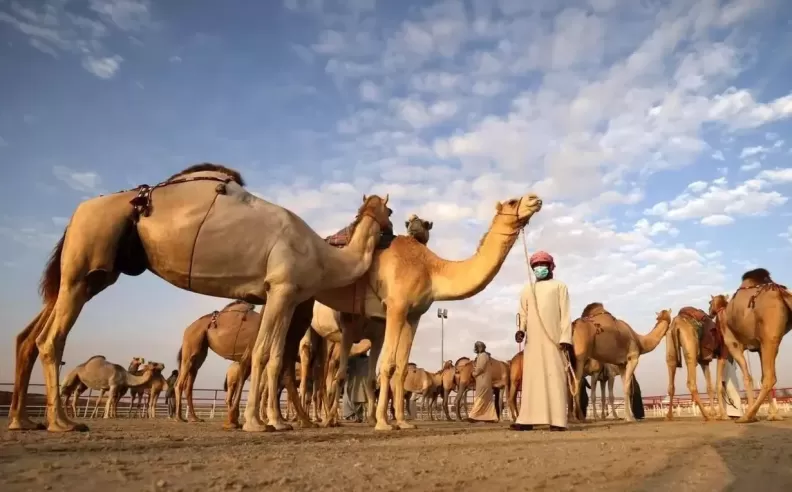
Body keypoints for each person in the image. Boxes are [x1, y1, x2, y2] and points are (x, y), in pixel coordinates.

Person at [511, 250, 573, 432]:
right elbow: (523, 312)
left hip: (554, 339)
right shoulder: (527, 289)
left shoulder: (560, 287)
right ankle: (527, 419)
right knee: (531, 379)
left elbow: (565, 313)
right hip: (533, 342)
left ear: (550, 267)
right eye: (536, 266)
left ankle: (558, 420)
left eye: (542, 265)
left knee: (555, 377)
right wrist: (520, 330)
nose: (539, 268)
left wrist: (565, 337)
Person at [466, 341, 499, 423]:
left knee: (479, 397)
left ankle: (473, 416)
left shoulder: (482, 356)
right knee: (487, 400)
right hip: (484, 380)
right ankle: (490, 417)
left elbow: (480, 369)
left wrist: (473, 373)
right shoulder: (484, 356)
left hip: (483, 381)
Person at [343, 353, 369, 422]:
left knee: (362, 400)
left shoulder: (368, 359)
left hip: (361, 383)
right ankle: (359, 416)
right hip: (356, 383)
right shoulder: (352, 359)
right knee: (357, 399)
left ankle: (362, 416)